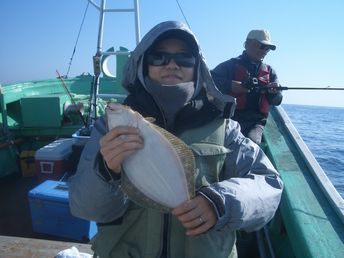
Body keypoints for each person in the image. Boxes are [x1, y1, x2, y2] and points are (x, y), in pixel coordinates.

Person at [68, 21, 283, 258]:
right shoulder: (108, 128)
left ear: (197, 66)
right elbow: (85, 208)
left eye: (185, 58)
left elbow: (269, 184)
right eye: (159, 57)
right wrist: (106, 171)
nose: (171, 64)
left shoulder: (224, 128)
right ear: (143, 64)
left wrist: (221, 202)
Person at [211, 29, 283, 144]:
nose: (265, 51)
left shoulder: (270, 71)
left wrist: (274, 93)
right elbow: (209, 81)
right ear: (247, 44)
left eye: (268, 48)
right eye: (262, 46)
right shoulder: (229, 66)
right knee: (221, 142)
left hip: (256, 122)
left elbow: (277, 100)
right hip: (229, 118)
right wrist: (230, 85)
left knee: (251, 144)